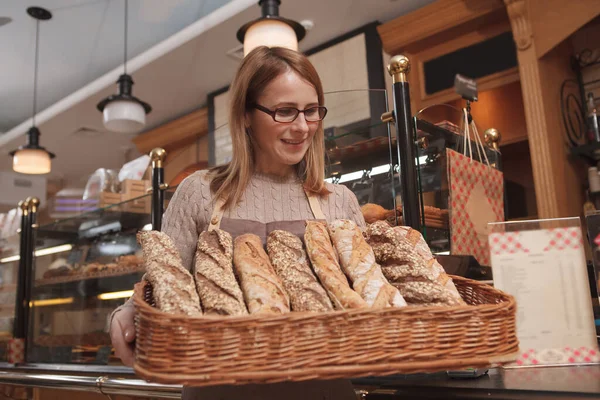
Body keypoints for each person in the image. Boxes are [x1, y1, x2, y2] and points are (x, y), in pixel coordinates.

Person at [109, 46, 365, 400]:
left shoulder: (338, 201)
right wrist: (126, 313)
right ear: (246, 115)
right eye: (285, 111)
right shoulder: (200, 192)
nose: (303, 127)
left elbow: (369, 305)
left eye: (311, 111)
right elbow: (164, 283)